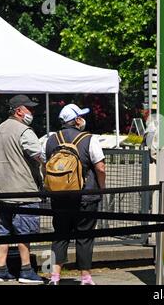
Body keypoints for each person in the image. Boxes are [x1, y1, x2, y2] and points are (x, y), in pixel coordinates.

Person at [43, 104, 106, 286]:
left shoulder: (51, 140)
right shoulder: (89, 139)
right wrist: (102, 188)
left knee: (60, 234)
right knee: (85, 236)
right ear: (77, 120)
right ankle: (85, 277)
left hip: (59, 196)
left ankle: (54, 277)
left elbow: (45, 165)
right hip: (86, 196)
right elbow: (100, 167)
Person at [0, 94, 44, 284]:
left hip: (1, 191)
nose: (32, 111)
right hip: (24, 190)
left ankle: (1, 270)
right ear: (19, 111)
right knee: (25, 233)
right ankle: (26, 270)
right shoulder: (24, 131)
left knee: (2, 233)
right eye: (29, 108)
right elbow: (39, 154)